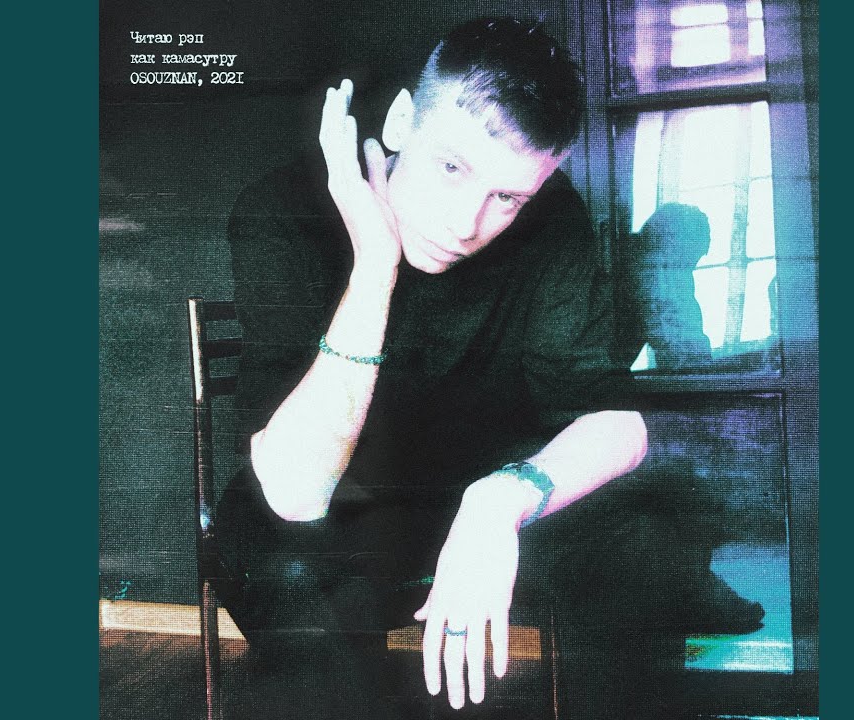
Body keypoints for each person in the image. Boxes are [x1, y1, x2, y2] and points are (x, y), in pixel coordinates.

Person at [210, 18, 702, 719]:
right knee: (291, 571)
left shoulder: (552, 217)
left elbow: (618, 422)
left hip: (478, 493)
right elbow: (295, 491)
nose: (468, 223)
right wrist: (375, 265)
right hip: (330, 508)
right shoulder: (284, 209)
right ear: (402, 120)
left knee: (652, 537)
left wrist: (501, 501)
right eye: (451, 167)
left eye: (508, 198)